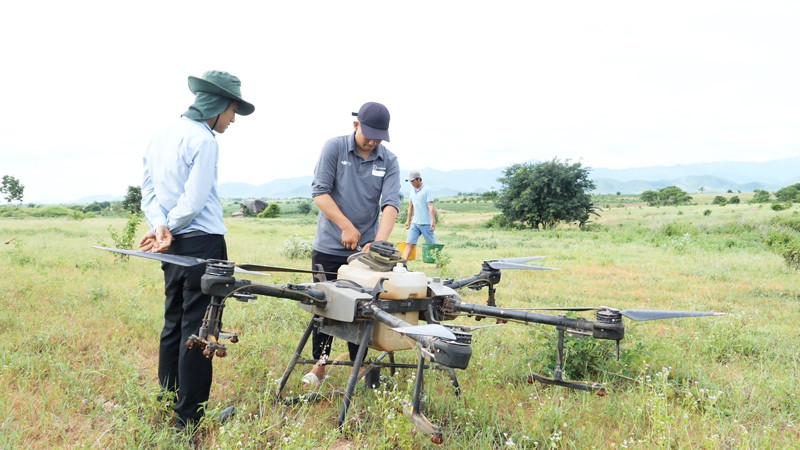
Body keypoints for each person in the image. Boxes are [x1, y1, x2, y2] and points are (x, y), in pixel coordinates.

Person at [139, 70, 254, 429]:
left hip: (171, 246)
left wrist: (160, 228)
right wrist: (168, 228)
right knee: (201, 329)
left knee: (173, 321)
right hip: (202, 243)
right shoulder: (204, 141)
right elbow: (195, 198)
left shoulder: (160, 137)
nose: (233, 119)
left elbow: (149, 194)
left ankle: (168, 397)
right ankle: (187, 417)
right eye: (233, 110)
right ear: (218, 106)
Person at [304, 101, 400, 385]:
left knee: (363, 310)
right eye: (368, 134)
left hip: (364, 255)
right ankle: (319, 365)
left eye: (378, 137)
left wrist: (378, 244)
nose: (372, 142)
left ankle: (359, 366)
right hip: (330, 247)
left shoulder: (389, 160)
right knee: (324, 307)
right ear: (356, 125)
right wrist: (346, 226)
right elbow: (320, 192)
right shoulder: (334, 148)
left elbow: (391, 204)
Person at [401, 170, 436, 261]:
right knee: (409, 243)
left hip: (426, 223)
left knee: (431, 245)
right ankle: (403, 263)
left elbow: (430, 205)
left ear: (418, 179)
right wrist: (408, 220)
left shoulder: (426, 190)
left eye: (413, 181)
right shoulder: (411, 191)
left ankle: (438, 263)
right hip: (415, 222)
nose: (411, 183)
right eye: (410, 181)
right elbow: (410, 207)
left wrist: (432, 220)